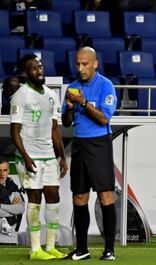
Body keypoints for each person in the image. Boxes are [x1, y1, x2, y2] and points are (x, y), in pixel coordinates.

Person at [61, 47, 117, 261]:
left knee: (105, 195)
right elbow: (66, 123)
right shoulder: (72, 87)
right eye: (77, 63)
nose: (80, 68)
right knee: (79, 196)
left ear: (95, 64)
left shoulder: (106, 86)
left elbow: (104, 119)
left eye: (85, 64)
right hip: (79, 144)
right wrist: (70, 108)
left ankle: (109, 250)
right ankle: (82, 249)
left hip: (100, 144)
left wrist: (82, 103)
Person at [10, 54, 68, 260]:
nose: (39, 70)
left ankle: (50, 245)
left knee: (53, 197)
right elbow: (15, 131)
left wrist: (61, 156)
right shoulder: (21, 95)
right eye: (34, 68)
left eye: (40, 66)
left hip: (48, 156)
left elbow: (55, 129)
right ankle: (35, 249)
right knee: (35, 199)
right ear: (26, 73)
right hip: (30, 156)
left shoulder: (52, 94)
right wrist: (25, 157)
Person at [0, 157, 25, 235]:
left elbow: (21, 208)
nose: (1, 174)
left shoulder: (12, 186)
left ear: (8, 171)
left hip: (10, 231)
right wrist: (13, 211)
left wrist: (1, 206)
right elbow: (16, 210)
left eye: (5, 170)